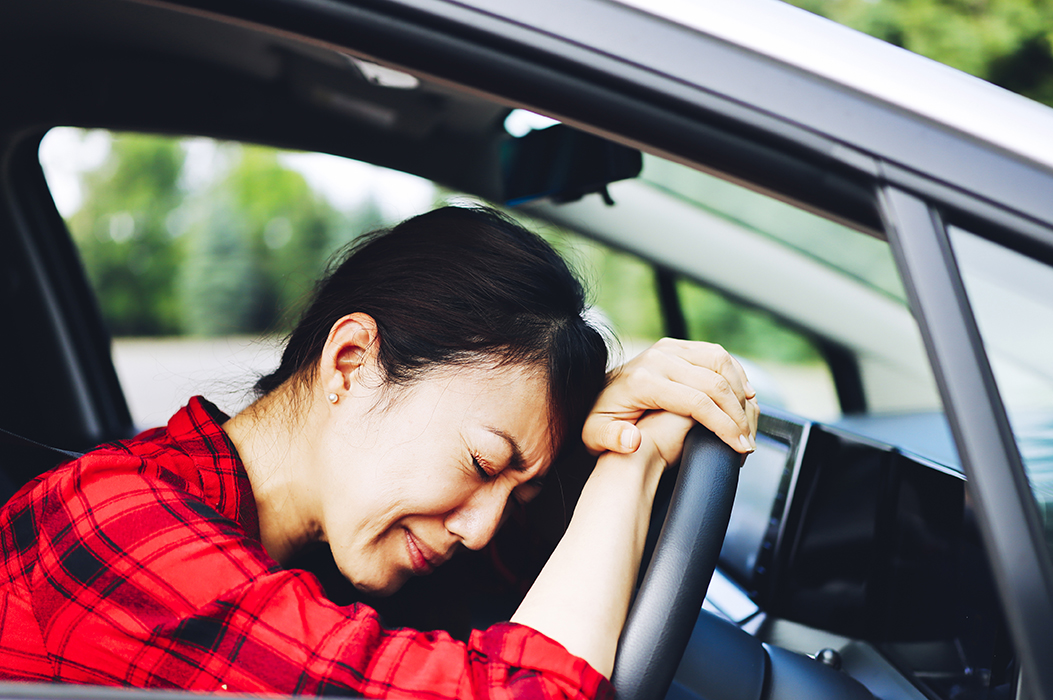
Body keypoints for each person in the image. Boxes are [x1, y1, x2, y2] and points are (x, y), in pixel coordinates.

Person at [0, 206, 758, 697]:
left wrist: (598, 436)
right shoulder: (107, 523)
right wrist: (633, 461)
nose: (482, 528)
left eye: (513, 493)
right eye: (483, 465)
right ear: (352, 363)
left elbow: (525, 562)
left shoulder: (320, 538)